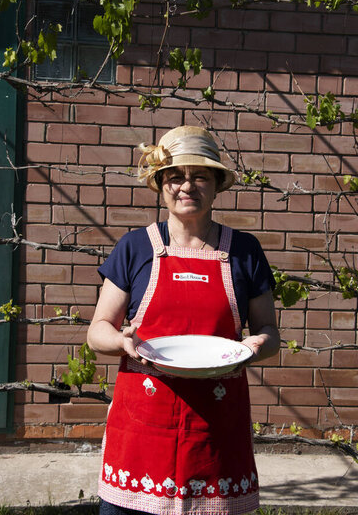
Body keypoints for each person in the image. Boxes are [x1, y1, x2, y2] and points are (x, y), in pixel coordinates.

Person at [87, 125, 280, 515]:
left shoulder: (244, 251)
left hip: (216, 424)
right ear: (160, 184)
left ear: (216, 185)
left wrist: (256, 345)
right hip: (142, 422)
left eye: (199, 177)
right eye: (175, 177)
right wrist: (122, 342)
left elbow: (269, 332)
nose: (186, 186)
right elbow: (97, 332)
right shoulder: (134, 247)